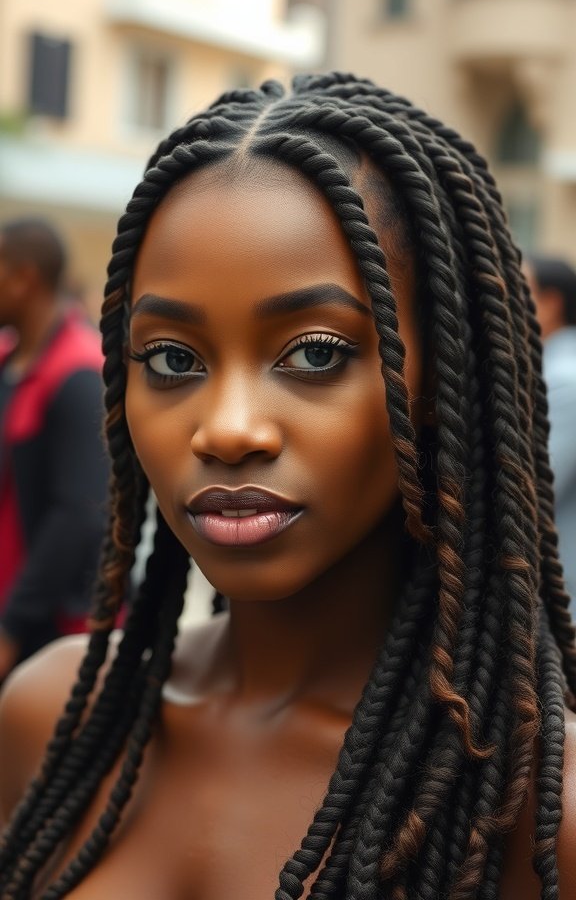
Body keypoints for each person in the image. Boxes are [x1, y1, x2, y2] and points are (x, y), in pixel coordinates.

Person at [0, 74, 574, 899]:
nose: (228, 430)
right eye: (172, 359)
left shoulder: (534, 812)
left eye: (314, 353)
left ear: (445, 382)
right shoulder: (51, 717)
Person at [0, 217, 109, 679]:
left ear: (23, 278)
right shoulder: (11, 359)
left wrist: (11, 627)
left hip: (46, 629)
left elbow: (78, 515)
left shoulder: (79, 374)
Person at [524, 256, 576, 619]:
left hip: (562, 586)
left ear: (551, 302)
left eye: (519, 288)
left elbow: (537, 483)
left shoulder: (565, 379)